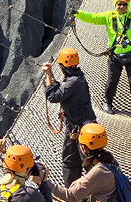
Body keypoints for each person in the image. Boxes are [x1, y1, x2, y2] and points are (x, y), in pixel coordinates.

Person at [72, 0, 131, 119]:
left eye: (124, 4)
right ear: (115, 4)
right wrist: (78, 14)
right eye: (119, 4)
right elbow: (93, 18)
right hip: (115, 57)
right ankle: (108, 103)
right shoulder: (109, 16)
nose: (121, 6)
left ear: (128, 5)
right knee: (112, 82)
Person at [42, 47, 98, 187]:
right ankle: (74, 193)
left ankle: (86, 193)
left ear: (62, 66)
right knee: (72, 159)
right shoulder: (77, 78)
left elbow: (53, 96)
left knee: (84, 162)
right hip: (77, 127)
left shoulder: (73, 82)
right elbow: (62, 90)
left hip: (80, 129)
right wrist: (52, 77)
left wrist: (49, 75)